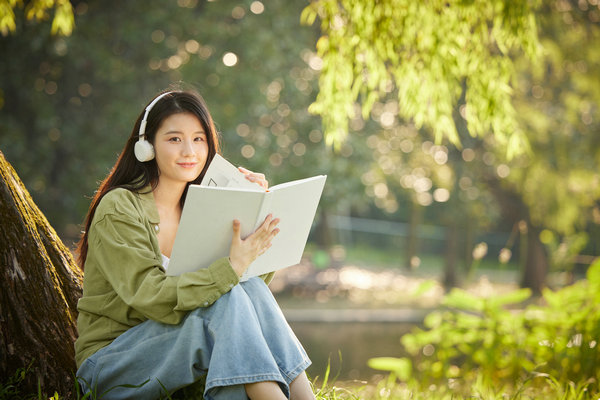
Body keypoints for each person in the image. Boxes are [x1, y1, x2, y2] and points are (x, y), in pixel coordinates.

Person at [74, 89, 315, 400]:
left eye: (199, 139)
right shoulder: (120, 207)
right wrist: (231, 268)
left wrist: (253, 215)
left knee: (249, 290)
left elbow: (240, 284)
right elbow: (149, 295)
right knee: (227, 298)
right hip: (113, 363)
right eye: (174, 139)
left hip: (180, 347)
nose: (189, 151)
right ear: (147, 146)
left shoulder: (202, 206)